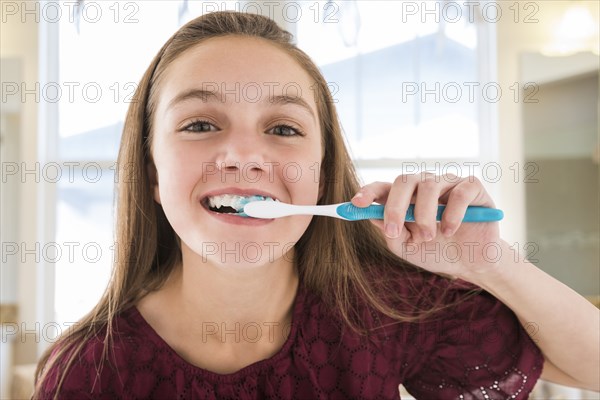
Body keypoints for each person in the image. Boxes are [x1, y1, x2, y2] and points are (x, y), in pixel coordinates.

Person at [34, 11, 599, 400]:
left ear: (323, 174)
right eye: (200, 124)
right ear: (153, 172)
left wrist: (490, 263)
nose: (243, 155)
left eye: (282, 127)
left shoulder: (385, 310)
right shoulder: (90, 369)